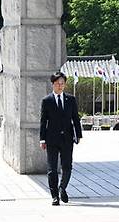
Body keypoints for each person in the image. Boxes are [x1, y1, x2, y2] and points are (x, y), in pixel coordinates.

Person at [39, 72, 82, 206]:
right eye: (58, 83)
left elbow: (75, 118)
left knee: (67, 166)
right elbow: (43, 121)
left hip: (67, 139)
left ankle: (62, 188)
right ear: (53, 84)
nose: (60, 86)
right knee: (52, 169)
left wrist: (78, 135)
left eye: (62, 83)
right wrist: (42, 139)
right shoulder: (47, 101)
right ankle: (54, 196)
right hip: (51, 139)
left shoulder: (71, 99)